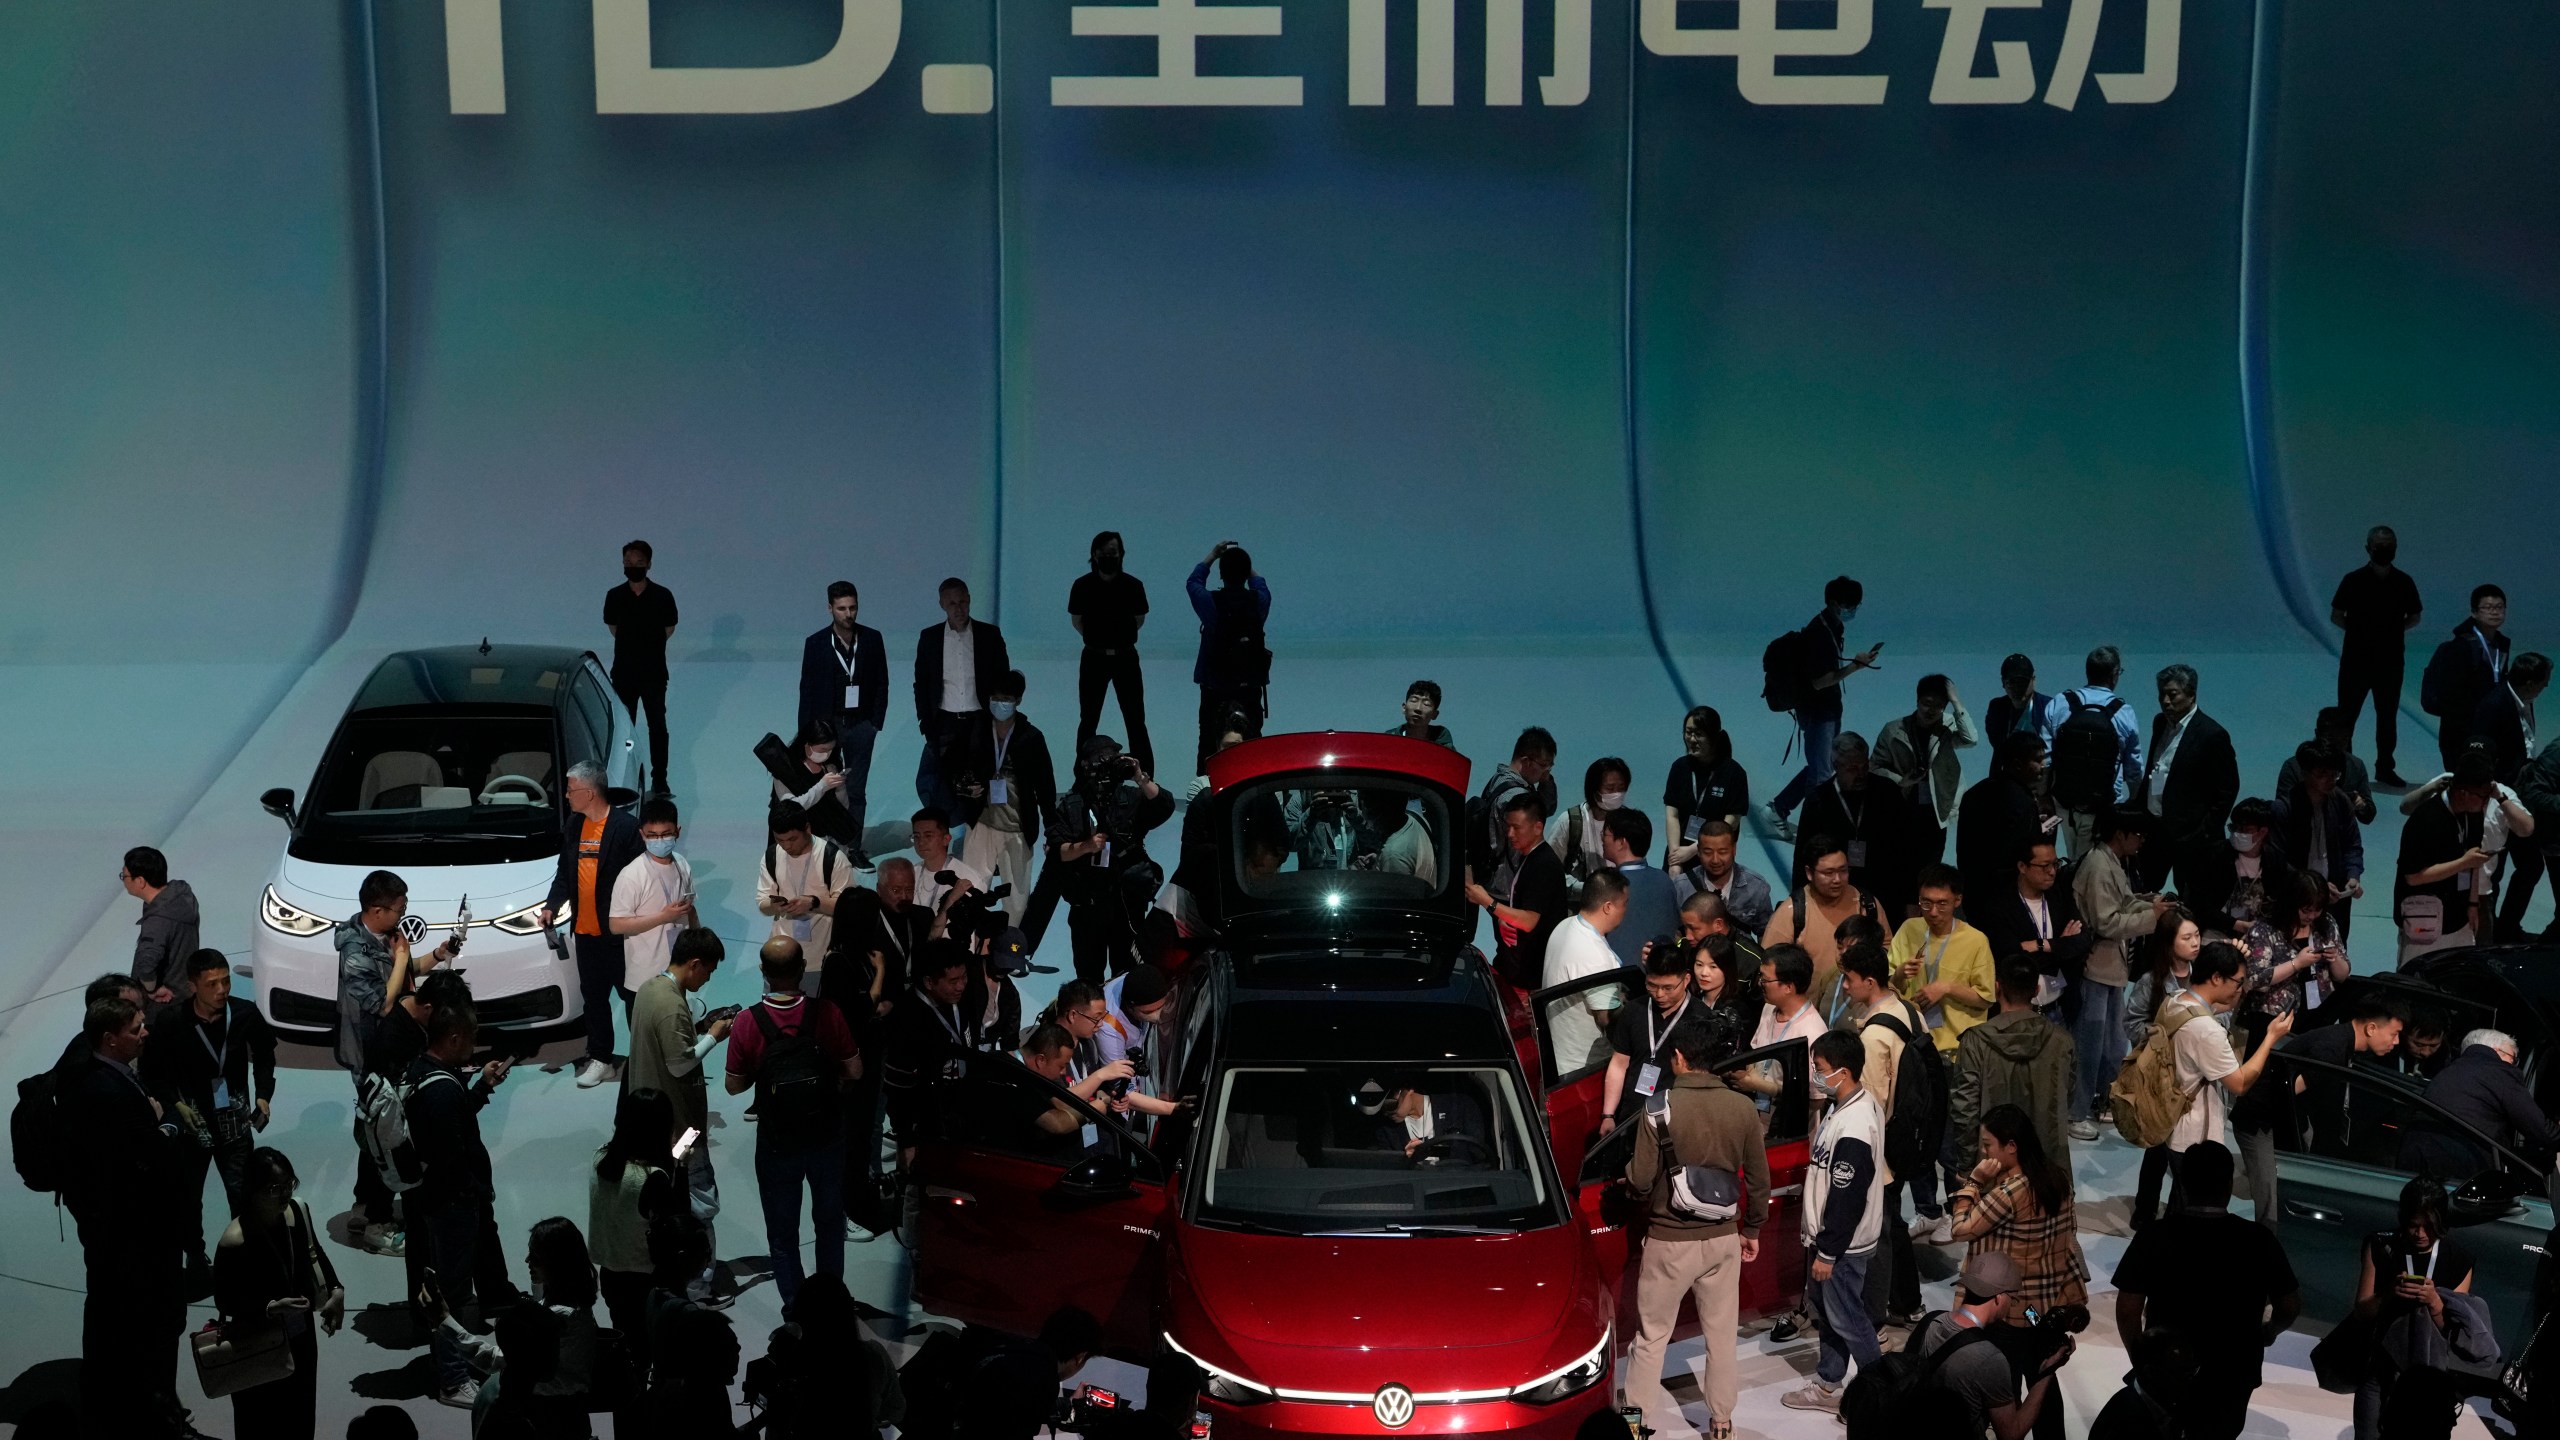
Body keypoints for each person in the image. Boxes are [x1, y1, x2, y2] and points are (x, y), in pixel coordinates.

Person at [1624, 1017, 1768, 1440]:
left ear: (1680, 1058)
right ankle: (1722, 1424)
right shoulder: (1742, 1107)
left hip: (1669, 1242)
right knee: (1721, 1338)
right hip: (1723, 1238)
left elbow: (1640, 1179)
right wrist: (1753, 1229)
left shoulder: (1656, 1108)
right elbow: (1759, 1179)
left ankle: (1634, 1428)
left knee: (1651, 1338)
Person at [61, 994, 190, 1437]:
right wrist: (168, 1122)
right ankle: (149, 1415)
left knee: (110, 1321)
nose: (145, 1033)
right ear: (110, 1039)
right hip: (134, 1239)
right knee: (142, 1329)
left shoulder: (98, 1076)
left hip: (114, 1234)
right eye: (136, 1028)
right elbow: (158, 1154)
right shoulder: (108, 1092)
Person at [2111, 1141, 2299, 1440]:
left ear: (2183, 1185)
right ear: (2227, 1185)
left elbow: (2127, 1309)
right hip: (2233, 1371)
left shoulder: (2155, 1235)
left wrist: (2142, 1360)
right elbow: (2288, 1306)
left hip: (2167, 1367)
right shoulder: (2258, 1239)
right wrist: (2270, 1331)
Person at [725, 939, 860, 1309]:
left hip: (777, 1143)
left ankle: (795, 1310)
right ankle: (832, 1305)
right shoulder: (827, 1013)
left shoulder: (748, 1021)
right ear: (802, 970)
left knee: (783, 1235)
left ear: (763, 974)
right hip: (827, 1137)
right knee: (830, 1224)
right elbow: (855, 1070)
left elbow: (734, 1086)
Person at [1947, 1104, 2088, 1440]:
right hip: (2041, 1309)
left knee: (2004, 1390)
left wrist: (1973, 1182)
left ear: (2011, 1146)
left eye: (1987, 1145)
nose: (1984, 1153)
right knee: (2042, 1378)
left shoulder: (2011, 1192)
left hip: (2010, 1312)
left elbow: (1961, 1229)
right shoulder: (2056, 1178)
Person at [335, 869, 459, 1244]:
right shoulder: (354, 953)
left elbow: (405, 972)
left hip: (395, 1049)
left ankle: (363, 1206)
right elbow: (384, 1003)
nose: (404, 915)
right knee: (384, 1132)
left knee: (372, 1132)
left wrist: (438, 955)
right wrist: (403, 958)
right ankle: (376, 1220)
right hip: (372, 1054)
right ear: (377, 910)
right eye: (400, 908)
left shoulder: (387, 936)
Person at [141, 948, 276, 1291]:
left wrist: (263, 1093)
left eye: (226, 980)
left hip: (233, 1118)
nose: (222, 989)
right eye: (212, 983)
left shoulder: (244, 1014)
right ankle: (197, 1259)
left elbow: (264, 1055)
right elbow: (151, 1072)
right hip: (193, 1124)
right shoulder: (171, 1022)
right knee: (188, 1198)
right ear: (192, 986)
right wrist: (175, 1104)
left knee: (242, 1192)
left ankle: (246, 1256)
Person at [405, 997, 514, 1407]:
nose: (474, 1047)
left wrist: (482, 1086)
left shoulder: (425, 1072)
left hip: (434, 1202)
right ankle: (452, 1379)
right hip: (453, 1206)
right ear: (453, 1038)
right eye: (469, 1040)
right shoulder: (443, 1093)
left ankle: (450, 1368)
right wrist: (475, 1193)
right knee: (451, 1296)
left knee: (447, 1289)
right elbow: (453, 1155)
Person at [1779, 1029, 1887, 1416]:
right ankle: (1829, 1384)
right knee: (1831, 1315)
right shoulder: (1845, 1104)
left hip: (1841, 1246)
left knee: (1849, 1319)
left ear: (1843, 1071)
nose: (1815, 1074)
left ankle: (1882, 1392)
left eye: (1820, 1069)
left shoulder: (1855, 1124)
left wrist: (1828, 1252)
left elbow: (1847, 1196)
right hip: (1834, 1243)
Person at [420, 1215, 608, 1437]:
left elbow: (495, 1360)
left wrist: (444, 1320)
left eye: (536, 1258)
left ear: (556, 1264)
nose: (527, 1261)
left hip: (546, 1418)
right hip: (564, 1413)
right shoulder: (574, 1302)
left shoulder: (559, 1320)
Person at [625, 928, 732, 1300]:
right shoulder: (672, 1005)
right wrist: (714, 1036)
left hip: (652, 1125)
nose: (709, 978)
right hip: (681, 1130)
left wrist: (698, 1030)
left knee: (665, 1204)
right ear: (694, 963)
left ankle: (670, 1276)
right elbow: (680, 1062)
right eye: (709, 971)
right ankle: (700, 1283)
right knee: (701, 1204)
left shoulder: (649, 990)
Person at [212, 1147, 343, 1440]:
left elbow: (315, 1253)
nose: (284, 1195)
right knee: (261, 1422)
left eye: (289, 1185)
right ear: (253, 1191)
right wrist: (270, 1307)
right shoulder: (235, 1240)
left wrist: (336, 1290)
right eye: (274, 1189)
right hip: (257, 1342)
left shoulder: (296, 1212)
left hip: (301, 1336)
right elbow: (225, 1299)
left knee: (301, 1415)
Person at [1033, 736, 1175, 982]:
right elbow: (1057, 851)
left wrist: (1140, 777)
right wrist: (1086, 846)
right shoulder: (1072, 805)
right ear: (1087, 766)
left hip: (1125, 903)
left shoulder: (1129, 797)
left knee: (1125, 973)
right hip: (1087, 904)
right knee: (1089, 976)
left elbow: (1164, 806)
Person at [1841, 936, 1929, 1324]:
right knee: (1894, 1222)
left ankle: (1892, 1306)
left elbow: (1871, 1106)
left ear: (1870, 982)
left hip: (1884, 1150)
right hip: (1912, 1139)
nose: (1845, 987)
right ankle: (1908, 1301)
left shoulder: (1874, 1036)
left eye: (1849, 979)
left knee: (1882, 1230)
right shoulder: (1909, 1010)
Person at [2158, 941, 2292, 1196]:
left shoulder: (2175, 1001)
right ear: (2217, 977)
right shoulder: (2206, 1030)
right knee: (2198, 1214)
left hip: (2174, 1125)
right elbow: (2240, 1084)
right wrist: (2271, 1038)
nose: (2239, 989)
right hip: (2196, 1138)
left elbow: (2219, 1006)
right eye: (2238, 982)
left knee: (2181, 1208)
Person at [541, 762, 645, 1088]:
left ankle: (644, 1063)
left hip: (619, 937)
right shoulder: (574, 825)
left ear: (589, 792)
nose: (567, 796)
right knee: (594, 1000)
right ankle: (601, 1058)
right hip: (585, 935)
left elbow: (643, 882)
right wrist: (551, 905)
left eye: (571, 790)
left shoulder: (627, 829)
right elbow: (564, 872)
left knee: (632, 1000)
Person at [2349, 1177, 2475, 1440]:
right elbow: (2362, 1311)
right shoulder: (2382, 1246)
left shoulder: (2459, 1259)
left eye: (2429, 1227)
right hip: (2379, 1370)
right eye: (2412, 1225)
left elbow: (2454, 1332)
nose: (2420, 1234)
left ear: (2442, 1222)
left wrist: (2435, 1302)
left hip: (2428, 1383)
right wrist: (2388, 1293)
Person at [1905, 1252, 2071, 1440]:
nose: (2012, 1306)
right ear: (1999, 1298)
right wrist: (2047, 1372)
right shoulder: (1989, 1359)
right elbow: (2011, 1434)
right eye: (2013, 1299)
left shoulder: (1929, 1320)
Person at [2073, 814, 2167, 1137]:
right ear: (2121, 833)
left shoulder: (2111, 860)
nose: (2141, 841)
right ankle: (2077, 1111)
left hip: (2111, 967)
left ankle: (2101, 1100)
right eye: (2137, 834)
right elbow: (2106, 922)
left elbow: (2124, 903)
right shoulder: (2098, 865)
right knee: (2089, 1045)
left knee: (2113, 1044)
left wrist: (2149, 903)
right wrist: (2151, 917)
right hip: (2096, 966)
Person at [1769, 575, 1883, 839]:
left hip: (1829, 708)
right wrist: (1856, 666)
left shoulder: (1833, 625)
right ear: (1834, 602)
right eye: (1849, 605)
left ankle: (1778, 808)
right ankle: (1815, 833)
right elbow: (1820, 682)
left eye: (1856, 605)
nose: (1852, 610)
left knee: (1822, 765)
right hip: (1818, 711)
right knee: (1821, 774)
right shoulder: (1819, 633)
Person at [1949, 957, 2077, 1181]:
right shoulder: (2062, 1041)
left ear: (1997, 987)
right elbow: (2069, 1096)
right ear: (2036, 989)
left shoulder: (1975, 1041)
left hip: (1992, 1167)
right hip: (2047, 1166)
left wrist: (1967, 1165)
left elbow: (1965, 1110)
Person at [946, 669, 1058, 909]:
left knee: (1016, 900)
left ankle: (1012, 945)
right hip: (980, 824)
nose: (1000, 704)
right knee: (971, 892)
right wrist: (963, 785)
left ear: (1018, 701)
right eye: (995, 698)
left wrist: (1053, 834)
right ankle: (973, 944)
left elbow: (1046, 789)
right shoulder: (976, 729)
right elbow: (952, 763)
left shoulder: (1031, 737)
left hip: (1017, 828)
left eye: (1006, 699)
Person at [795, 581, 890, 862]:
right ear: (830, 608)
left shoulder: (872, 639)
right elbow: (807, 690)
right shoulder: (816, 644)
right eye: (842, 609)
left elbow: (882, 682)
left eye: (853, 608)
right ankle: (827, 847)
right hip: (828, 727)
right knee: (827, 788)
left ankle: (854, 848)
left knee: (857, 790)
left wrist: (875, 723)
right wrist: (806, 735)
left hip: (861, 725)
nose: (848, 614)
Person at [743, 1275, 900, 1438]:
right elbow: (896, 1411)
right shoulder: (874, 1355)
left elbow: (776, 1431)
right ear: (848, 1310)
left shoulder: (785, 1363)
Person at [2123, 906, 2200, 1226]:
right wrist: (2162, 1037)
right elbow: (2131, 1022)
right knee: (2157, 1146)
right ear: (2169, 944)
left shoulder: (2205, 975)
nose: (2195, 942)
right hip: (2161, 1075)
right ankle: (2144, 1210)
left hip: (2196, 1075)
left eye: (2197, 935)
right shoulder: (2151, 981)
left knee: (2187, 1150)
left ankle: (2176, 1213)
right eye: (2187, 937)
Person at [2331, 525, 2424, 784]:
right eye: (2379, 545)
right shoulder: (2352, 580)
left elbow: (2415, 616)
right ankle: (2344, 769)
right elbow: (2336, 614)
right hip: (2355, 661)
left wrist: (2390, 632)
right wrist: (2362, 633)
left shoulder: (2404, 582)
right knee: (2347, 717)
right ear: (2368, 548)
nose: (2384, 549)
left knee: (2387, 717)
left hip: (2390, 663)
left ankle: (2385, 768)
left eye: (2389, 544)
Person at [2398, 1027, 2559, 1176]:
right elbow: (2536, 1126)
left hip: (2412, 1148)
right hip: (2457, 1158)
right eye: (2513, 1058)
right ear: (2497, 1050)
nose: (2513, 1064)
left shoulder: (2452, 1070)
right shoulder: (2499, 1071)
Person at [1766, 833, 1890, 1025]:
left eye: (1843, 871)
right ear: (1809, 873)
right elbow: (1770, 968)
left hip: (1863, 1018)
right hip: (1805, 1020)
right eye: (1828, 873)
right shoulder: (1792, 912)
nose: (1837, 879)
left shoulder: (1868, 904)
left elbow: (1888, 950)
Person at [1599, 945, 1722, 1134]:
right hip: (1632, 1118)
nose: (1659, 994)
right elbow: (1619, 1063)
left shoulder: (1702, 1018)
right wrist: (1608, 1115)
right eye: (1652, 985)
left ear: (1686, 979)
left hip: (1678, 1121)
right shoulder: (1633, 1010)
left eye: (1668, 987)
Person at [913, 575, 1010, 812]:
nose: (959, 608)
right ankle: (952, 834)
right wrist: (925, 722)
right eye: (952, 603)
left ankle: (982, 832)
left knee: (983, 778)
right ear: (942, 605)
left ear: (969, 600)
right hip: (945, 721)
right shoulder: (930, 637)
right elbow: (922, 683)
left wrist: (1001, 719)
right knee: (946, 783)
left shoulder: (989, 635)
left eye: (963, 602)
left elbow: (1003, 679)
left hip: (980, 719)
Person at [641, 1212, 741, 1438]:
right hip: (697, 1410)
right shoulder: (691, 1317)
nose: (709, 1258)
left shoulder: (654, 1296)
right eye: (706, 1252)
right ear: (683, 1257)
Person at [2395, 747, 2500, 962]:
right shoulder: (2425, 818)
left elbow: (2473, 862)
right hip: (2423, 916)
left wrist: (2473, 904)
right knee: (2417, 979)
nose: (2485, 803)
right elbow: (2414, 877)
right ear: (2463, 793)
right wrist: (2463, 862)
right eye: (2482, 797)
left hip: (2459, 915)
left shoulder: (2473, 815)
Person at [591, 1087, 679, 1338]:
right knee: (647, 1343)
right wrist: (680, 1167)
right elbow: (677, 1221)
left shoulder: (600, 1158)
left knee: (624, 1334)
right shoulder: (652, 1178)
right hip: (644, 1278)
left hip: (610, 1271)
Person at [1795, 732, 1912, 917]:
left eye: (1864, 767)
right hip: (1834, 897)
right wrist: (1799, 902)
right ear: (1836, 766)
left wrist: (1911, 899)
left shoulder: (1888, 793)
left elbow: (1907, 851)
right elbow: (1803, 855)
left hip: (1885, 895)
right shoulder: (1818, 800)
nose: (1860, 775)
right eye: (1852, 769)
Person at [1974, 838, 2092, 1021]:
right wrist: (2060, 947)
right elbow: (2010, 958)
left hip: (2061, 1007)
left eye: (2055, 864)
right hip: (2018, 1013)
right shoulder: (1999, 906)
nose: (2052, 872)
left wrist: (2040, 944)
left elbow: (2083, 941)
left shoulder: (2060, 896)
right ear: (2022, 866)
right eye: (2044, 866)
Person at [1874, 673, 1981, 874]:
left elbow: (1970, 739)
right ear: (1917, 701)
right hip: (1904, 805)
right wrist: (1901, 780)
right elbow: (1875, 767)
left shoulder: (1948, 725)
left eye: (1939, 705)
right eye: (1926, 703)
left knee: (1931, 865)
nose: (1931, 710)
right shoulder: (1893, 730)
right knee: (1901, 863)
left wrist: (1956, 701)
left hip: (1937, 807)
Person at [1467, 789, 1570, 991]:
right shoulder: (1530, 857)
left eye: (1516, 827)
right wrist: (1504, 918)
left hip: (1533, 973)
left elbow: (1529, 920)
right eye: (1508, 827)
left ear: (1538, 827)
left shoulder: (1543, 864)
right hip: (1522, 966)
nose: (1510, 834)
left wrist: (1487, 901)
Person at [1069, 530, 1154, 775]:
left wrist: (1117, 640)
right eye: (1104, 553)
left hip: (1125, 657)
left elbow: (1139, 619)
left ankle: (1146, 775)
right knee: (1088, 719)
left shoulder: (1133, 586)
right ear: (1094, 555)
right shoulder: (1082, 586)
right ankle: (1082, 776)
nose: (1109, 557)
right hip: (1093, 657)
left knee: (1135, 719)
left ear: (1121, 554)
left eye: (1113, 553)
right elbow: (1078, 621)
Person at [957, 1305, 1107, 1440]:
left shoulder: (1013, 1351)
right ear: (1080, 1357)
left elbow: (1011, 1404)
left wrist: (1067, 1406)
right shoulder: (1043, 1377)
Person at [2486, 652, 2556, 935]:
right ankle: (2488, 933)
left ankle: (2507, 926)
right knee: (2494, 871)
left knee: (2529, 866)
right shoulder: (2495, 705)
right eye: (2544, 682)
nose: (2546, 687)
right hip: (2498, 799)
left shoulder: (2522, 700)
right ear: (2529, 682)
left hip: (2518, 796)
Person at [2053, 646, 2146, 859]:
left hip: (2065, 804)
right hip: (2102, 807)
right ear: (2114, 675)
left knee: (2072, 859)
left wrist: (2044, 797)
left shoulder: (2060, 703)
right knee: (2094, 867)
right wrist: (2133, 800)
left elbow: (2046, 758)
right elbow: (2133, 767)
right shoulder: (2124, 712)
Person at [1185, 538, 1272, 766]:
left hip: (1215, 687)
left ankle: (1204, 793)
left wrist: (1213, 555)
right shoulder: (1259, 602)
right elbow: (1260, 584)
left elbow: (1193, 583)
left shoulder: (1210, 603)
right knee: (1252, 743)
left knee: (1208, 745)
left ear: (1221, 575)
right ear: (1245, 574)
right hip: (1249, 688)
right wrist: (1245, 562)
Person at [604, 539, 679, 795]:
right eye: (627, 562)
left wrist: (648, 648)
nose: (632, 566)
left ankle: (660, 779)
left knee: (657, 727)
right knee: (625, 730)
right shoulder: (614, 596)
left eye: (637, 562)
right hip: (624, 673)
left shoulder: (662, 596)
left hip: (654, 674)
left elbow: (669, 629)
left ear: (648, 564)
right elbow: (613, 628)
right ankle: (625, 779)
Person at [755, 800, 855, 989]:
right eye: (779, 840)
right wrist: (774, 906)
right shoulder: (772, 856)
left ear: (807, 829)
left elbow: (848, 908)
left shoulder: (833, 858)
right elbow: (762, 903)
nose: (786, 846)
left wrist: (813, 902)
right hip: (781, 960)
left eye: (792, 839)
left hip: (820, 959)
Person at [2274, 740, 2366, 937]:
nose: (2330, 780)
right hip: (2297, 899)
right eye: (2322, 774)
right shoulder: (2285, 808)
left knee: (2335, 952)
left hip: (2335, 897)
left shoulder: (2341, 801)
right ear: (2305, 773)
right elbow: (2278, 860)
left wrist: (2353, 875)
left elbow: (2353, 845)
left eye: (2335, 774)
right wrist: (2315, 886)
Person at [612, 795, 698, 1003]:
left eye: (666, 834)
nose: (660, 841)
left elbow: (691, 909)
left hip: (678, 970)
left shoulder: (681, 864)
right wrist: (663, 917)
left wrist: (698, 940)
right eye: (653, 835)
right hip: (644, 978)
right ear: (642, 834)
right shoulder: (632, 874)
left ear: (678, 831)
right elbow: (616, 925)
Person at [1540, 870, 1628, 1072]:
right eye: (1624, 903)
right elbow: (1605, 1017)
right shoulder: (1595, 955)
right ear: (1608, 907)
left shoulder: (1564, 925)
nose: (1626, 910)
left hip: (1560, 1058)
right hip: (1585, 1068)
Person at [1956, 731, 2051, 911]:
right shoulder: (2023, 802)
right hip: (2008, 899)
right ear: (2017, 764)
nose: (2043, 766)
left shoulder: (1973, 794)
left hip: (1974, 893)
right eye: (2038, 760)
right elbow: (2027, 855)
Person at [2422, 582, 2511, 772]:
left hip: (2488, 729)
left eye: (2499, 607)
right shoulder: (2460, 647)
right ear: (2474, 612)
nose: (2494, 612)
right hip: (2460, 732)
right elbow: (2451, 695)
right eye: (2487, 607)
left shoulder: (2502, 645)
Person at [1739, 944, 1829, 1117]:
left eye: (1765, 980)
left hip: (1788, 1131)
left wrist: (1763, 1086)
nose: (1760, 984)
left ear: (1788, 987)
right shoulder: (1768, 1010)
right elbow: (1756, 1054)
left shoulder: (1813, 1033)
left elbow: (1816, 1100)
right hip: (1758, 1120)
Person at [1663, 705, 1749, 881]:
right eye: (1688, 732)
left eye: (1699, 734)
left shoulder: (1734, 773)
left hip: (1714, 859)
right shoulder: (1679, 768)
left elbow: (1729, 824)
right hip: (1679, 855)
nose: (1692, 739)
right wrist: (1674, 859)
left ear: (1715, 737)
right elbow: (1672, 815)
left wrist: (1695, 849)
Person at [1472, 726, 1560, 878]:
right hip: (1507, 884)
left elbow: (1545, 809)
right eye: (1544, 765)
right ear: (1526, 762)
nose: (1546, 771)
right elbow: (1520, 848)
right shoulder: (1515, 796)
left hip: (1490, 878)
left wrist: (1546, 780)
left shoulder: (1497, 781)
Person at [1599, 808, 1681, 967]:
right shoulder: (1665, 880)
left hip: (1618, 982)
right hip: (1660, 975)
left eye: (1605, 834)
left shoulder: (1609, 886)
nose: (1602, 839)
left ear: (1621, 842)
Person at [121, 845, 199, 1007]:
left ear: (140, 881)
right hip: (186, 991)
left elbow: (147, 962)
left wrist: (151, 989)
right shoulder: (181, 897)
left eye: (125, 876)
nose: (124, 880)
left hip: (165, 1003)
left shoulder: (158, 921)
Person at [2275, 705, 2380, 824]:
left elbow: (2368, 815)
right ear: (2317, 734)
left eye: (2344, 739)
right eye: (2331, 739)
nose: (2337, 746)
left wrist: (2360, 805)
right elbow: (2283, 813)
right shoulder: (2293, 767)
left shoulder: (2356, 766)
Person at [2088, 1330, 2199, 1440]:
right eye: (2183, 1372)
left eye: (2194, 1370)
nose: (2192, 1379)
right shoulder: (2124, 1427)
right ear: (2151, 1372)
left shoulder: (2168, 1399)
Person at [1685, 820, 1773, 939]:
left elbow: (1766, 934)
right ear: (1699, 851)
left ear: (1734, 850)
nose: (1715, 860)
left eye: (1722, 852)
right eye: (1708, 852)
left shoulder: (1757, 887)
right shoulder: (1681, 888)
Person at [1555, 756, 1633, 884]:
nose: (1617, 793)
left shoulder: (1630, 823)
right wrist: (1585, 889)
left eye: (1621, 788)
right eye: (1610, 788)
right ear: (1594, 790)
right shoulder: (1569, 822)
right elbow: (1551, 868)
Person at [908, 806, 991, 922]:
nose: (921, 842)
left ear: (946, 839)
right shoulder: (910, 874)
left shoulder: (969, 877)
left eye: (928, 836)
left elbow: (982, 927)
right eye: (916, 836)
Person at [1984, 654, 2067, 751]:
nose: (2017, 687)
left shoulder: (2049, 707)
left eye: (2023, 681)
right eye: (2012, 682)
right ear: (2003, 683)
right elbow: (1998, 745)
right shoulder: (1997, 708)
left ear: (2033, 680)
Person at [1386, 678, 1454, 748]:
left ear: (1435, 714)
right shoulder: (1389, 738)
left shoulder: (1442, 739)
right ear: (1404, 708)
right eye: (1414, 701)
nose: (1418, 708)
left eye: (1426, 704)